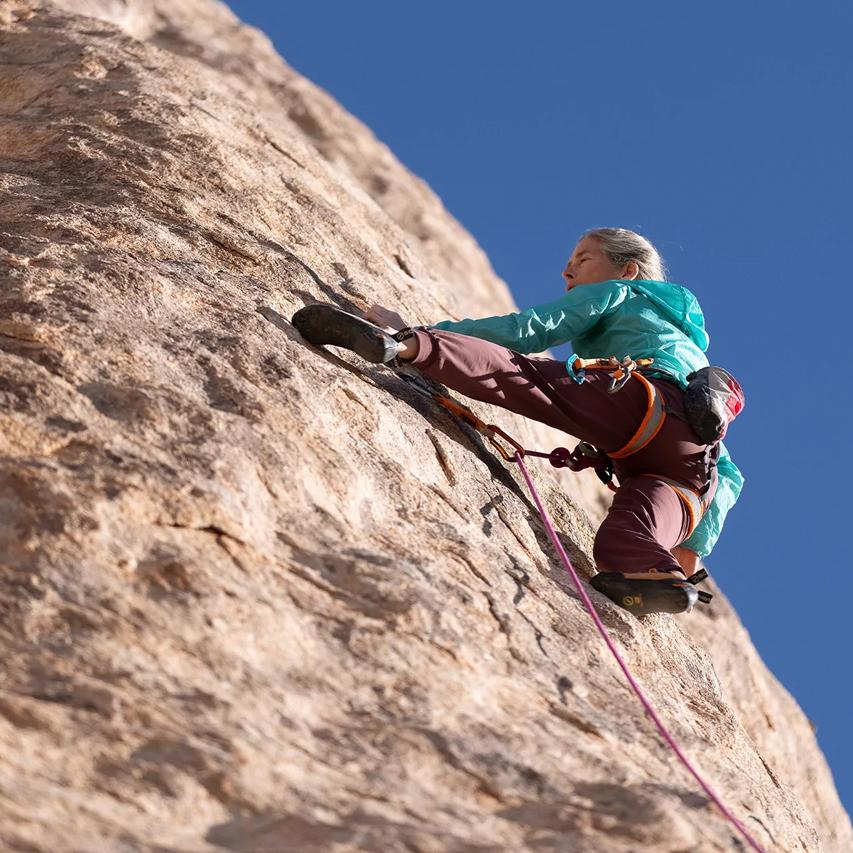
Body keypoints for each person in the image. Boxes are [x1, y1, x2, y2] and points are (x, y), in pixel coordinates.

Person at [292, 227, 744, 615]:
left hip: (642, 405)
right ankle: (660, 578)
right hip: (689, 471)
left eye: (583, 259)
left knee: (515, 373)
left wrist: (427, 327)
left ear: (627, 270)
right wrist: (690, 548)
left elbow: (528, 331)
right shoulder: (691, 350)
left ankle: (405, 346)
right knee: (625, 548)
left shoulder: (622, 292)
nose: (568, 272)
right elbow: (729, 474)